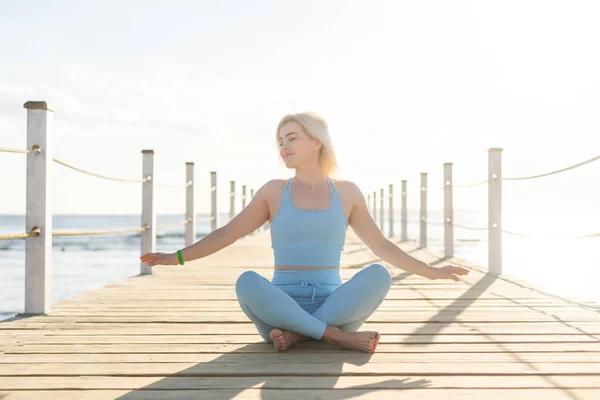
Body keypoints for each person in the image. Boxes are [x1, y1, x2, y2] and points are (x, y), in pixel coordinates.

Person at [140, 111, 469, 353]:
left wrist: (432, 272)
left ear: (316, 142)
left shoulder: (348, 193)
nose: (283, 146)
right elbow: (227, 234)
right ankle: (334, 337)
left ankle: (299, 334)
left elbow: (382, 246)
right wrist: (176, 257)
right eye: (280, 141)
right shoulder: (273, 192)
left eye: (292, 138)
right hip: (279, 308)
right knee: (247, 282)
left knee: (379, 274)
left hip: (334, 305)